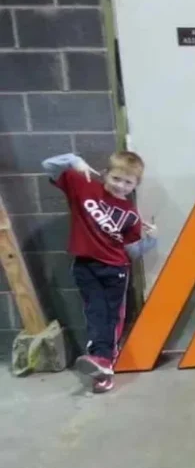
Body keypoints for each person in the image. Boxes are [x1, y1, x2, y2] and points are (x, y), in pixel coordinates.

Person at [42, 151, 157, 393]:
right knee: (96, 314)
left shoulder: (132, 216)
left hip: (115, 270)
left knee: (112, 318)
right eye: (116, 178)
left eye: (128, 182)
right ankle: (101, 362)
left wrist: (150, 241)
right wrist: (73, 160)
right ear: (105, 174)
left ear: (135, 185)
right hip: (85, 266)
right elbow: (48, 166)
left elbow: (132, 253)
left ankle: (103, 365)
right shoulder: (83, 185)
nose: (121, 186)